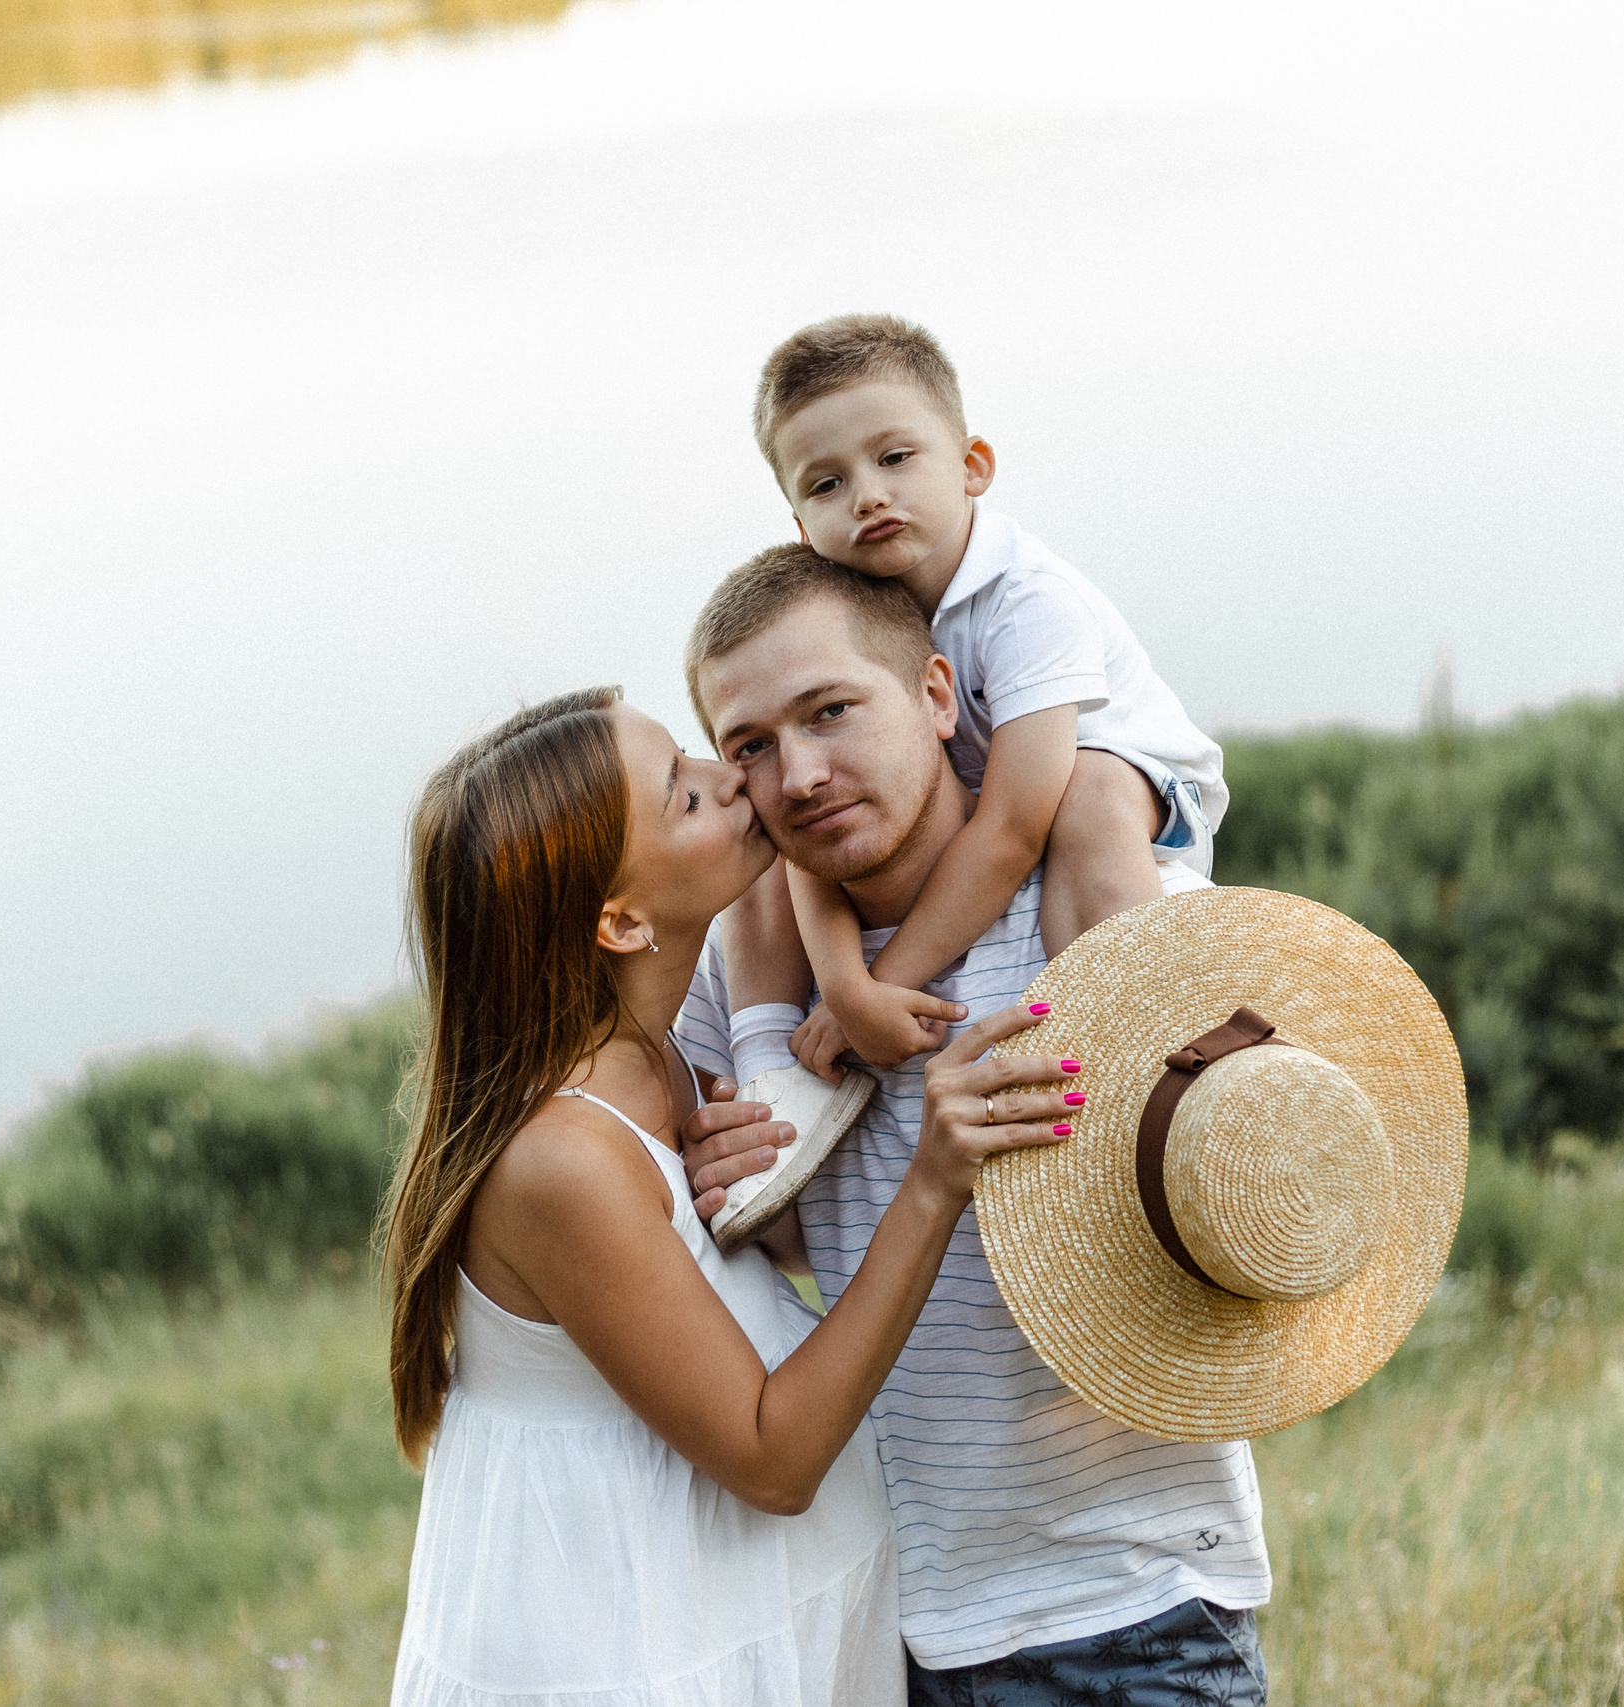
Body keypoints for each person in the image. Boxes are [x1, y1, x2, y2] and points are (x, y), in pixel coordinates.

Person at [379, 686, 1085, 1707]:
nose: (730, 777)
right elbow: (771, 1458)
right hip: (632, 1653)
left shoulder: (657, 1059)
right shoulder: (561, 1160)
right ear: (620, 921)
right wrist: (931, 1181)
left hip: (736, 1622)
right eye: (686, 795)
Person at [671, 556, 1271, 1705]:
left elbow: (1265, 1204)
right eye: (748, 745)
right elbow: (774, 1248)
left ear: (940, 697)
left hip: (1129, 1611)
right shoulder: (743, 991)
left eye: (831, 711)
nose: (797, 774)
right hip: (882, 1627)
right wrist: (730, 1186)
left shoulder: (1112, 915)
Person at [711, 312, 1228, 1248]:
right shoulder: (858, 616)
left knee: (1090, 801)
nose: (868, 496)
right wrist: (844, 989)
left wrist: (890, 975)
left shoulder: (1028, 601)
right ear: (797, 520)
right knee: (787, 810)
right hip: (992, 790)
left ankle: (1142, 1059)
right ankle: (780, 1085)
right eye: (828, 483)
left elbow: (1012, 827)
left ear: (972, 466)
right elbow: (810, 857)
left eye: (895, 457)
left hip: (1135, 782)